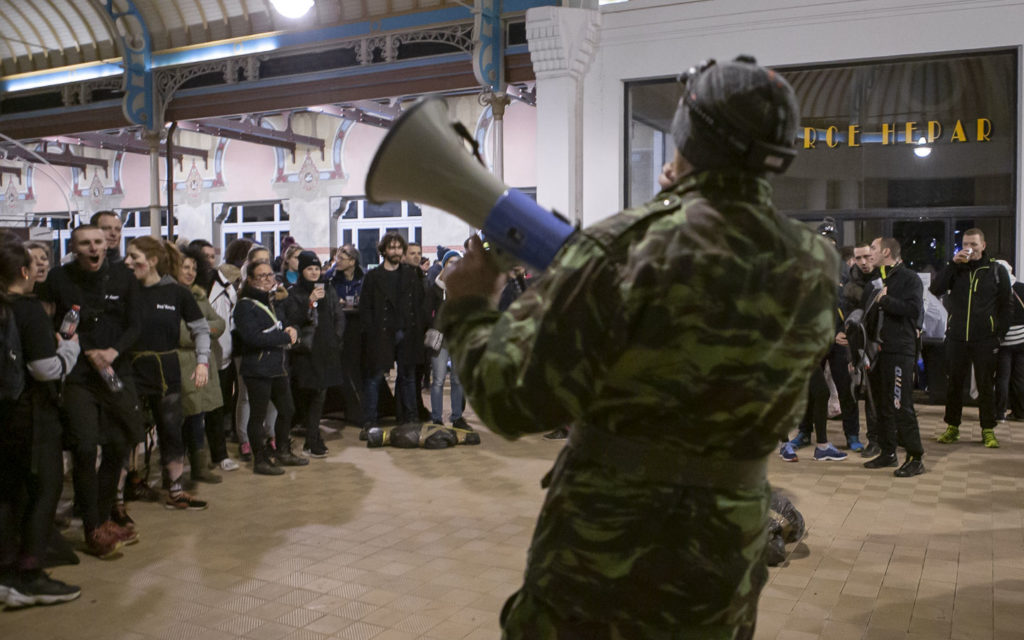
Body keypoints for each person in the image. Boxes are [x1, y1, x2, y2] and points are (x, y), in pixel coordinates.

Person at [439, 55, 837, 638]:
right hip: (727, 552)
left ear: (687, 134)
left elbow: (508, 401)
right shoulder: (815, 261)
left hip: (608, 557)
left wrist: (470, 305)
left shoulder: (628, 245)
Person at [40, 224, 142, 557]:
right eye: (86, 243)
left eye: (98, 242)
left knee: (118, 444)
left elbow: (136, 324)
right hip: (79, 374)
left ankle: (100, 515)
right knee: (85, 447)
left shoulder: (124, 278)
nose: (94, 248)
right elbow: (46, 320)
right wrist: (61, 342)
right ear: (75, 247)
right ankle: (92, 529)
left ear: (107, 245)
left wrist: (112, 352)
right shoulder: (59, 278)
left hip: (113, 371)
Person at [0, 241, 82, 608]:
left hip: (5, 414)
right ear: (23, 272)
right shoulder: (27, 310)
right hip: (31, 417)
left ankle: (6, 574)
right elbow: (44, 369)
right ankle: (30, 575)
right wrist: (70, 350)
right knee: (42, 492)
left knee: (9, 495)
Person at [124, 237, 211, 509]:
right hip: (130, 370)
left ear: (152, 261)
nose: (127, 262)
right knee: (126, 433)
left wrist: (202, 362)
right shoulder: (125, 291)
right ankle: (118, 497)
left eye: (133, 256)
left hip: (166, 370)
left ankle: (175, 489)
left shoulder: (177, 293)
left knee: (172, 430)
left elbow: (200, 328)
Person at [930, 228, 1010, 448]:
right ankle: (952, 427)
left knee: (986, 385)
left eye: (974, 244)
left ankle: (987, 430)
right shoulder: (956, 270)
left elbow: (1006, 305)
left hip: (985, 339)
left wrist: (998, 335)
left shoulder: (995, 270)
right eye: (966, 244)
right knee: (954, 385)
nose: (970, 249)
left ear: (983, 245)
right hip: (956, 337)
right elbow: (935, 288)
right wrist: (952, 265)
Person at [233, 259, 308, 475]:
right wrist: (282, 336)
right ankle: (260, 459)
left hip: (276, 365)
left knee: (287, 410)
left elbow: (284, 325)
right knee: (257, 415)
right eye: (262, 276)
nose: (268, 279)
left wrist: (293, 331)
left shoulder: (272, 302)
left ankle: (283, 450)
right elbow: (252, 337)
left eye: (270, 275)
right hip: (257, 367)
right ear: (250, 279)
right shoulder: (245, 306)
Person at [860, 238, 926, 477]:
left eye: (874, 249)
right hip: (879, 352)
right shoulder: (878, 280)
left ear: (886, 251)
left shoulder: (909, 278)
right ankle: (888, 452)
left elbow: (914, 310)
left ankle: (915, 457)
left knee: (901, 405)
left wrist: (885, 301)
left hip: (901, 350)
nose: (870, 253)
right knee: (883, 405)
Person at [359, 232, 427, 435]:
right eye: (392, 247)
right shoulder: (373, 276)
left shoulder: (410, 275)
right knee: (375, 378)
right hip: (381, 334)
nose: (396, 251)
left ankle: (411, 418)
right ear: (384, 251)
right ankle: (370, 421)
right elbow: (366, 307)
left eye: (399, 248)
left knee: (408, 377)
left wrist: (417, 329)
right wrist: (371, 332)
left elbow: (418, 303)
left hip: (407, 332)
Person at [280, 251, 345, 457]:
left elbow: (338, 315)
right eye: (310, 268)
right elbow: (293, 319)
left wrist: (336, 338)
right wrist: (309, 302)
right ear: (302, 270)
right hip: (307, 351)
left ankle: (312, 437)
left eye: (317, 268)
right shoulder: (294, 292)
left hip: (326, 349)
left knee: (320, 393)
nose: (314, 272)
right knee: (309, 393)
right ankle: (312, 436)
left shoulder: (328, 289)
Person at [176, 246, 228, 483]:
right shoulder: (171, 296)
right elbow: (179, 333)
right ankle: (178, 469)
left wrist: (202, 329)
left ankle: (199, 465)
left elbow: (219, 322)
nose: (190, 272)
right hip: (182, 363)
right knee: (183, 418)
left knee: (199, 416)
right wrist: (202, 330)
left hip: (202, 361)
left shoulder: (197, 295)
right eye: (185, 267)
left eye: (194, 268)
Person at [425, 250, 470, 430]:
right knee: (438, 380)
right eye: (449, 262)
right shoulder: (435, 287)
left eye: (457, 263)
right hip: (439, 339)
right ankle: (436, 418)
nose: (453, 266)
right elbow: (427, 310)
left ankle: (457, 416)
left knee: (458, 380)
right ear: (443, 265)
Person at [994, 259, 1024, 422]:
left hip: (1005, 340)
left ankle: (1000, 413)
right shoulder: (1022, 287)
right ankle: (1020, 412)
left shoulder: (997, 291)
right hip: (1023, 339)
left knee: (1002, 377)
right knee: (1020, 377)